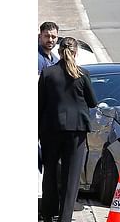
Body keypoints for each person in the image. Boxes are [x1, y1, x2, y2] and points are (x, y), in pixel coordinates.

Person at [39, 37, 98, 222]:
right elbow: (92, 102)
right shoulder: (82, 74)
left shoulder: (48, 73)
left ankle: (47, 213)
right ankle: (65, 217)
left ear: (59, 51)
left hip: (51, 128)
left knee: (49, 172)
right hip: (76, 129)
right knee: (71, 175)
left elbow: (40, 103)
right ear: (75, 53)